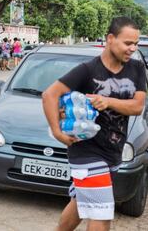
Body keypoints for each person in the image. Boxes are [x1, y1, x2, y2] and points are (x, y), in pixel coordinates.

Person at [42, 17, 146, 231]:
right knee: (101, 212)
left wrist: (107, 101)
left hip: (114, 152)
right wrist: (57, 132)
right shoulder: (87, 70)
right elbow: (50, 95)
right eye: (128, 43)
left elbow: (137, 106)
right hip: (86, 152)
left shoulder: (136, 68)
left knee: (81, 205)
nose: (132, 49)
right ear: (110, 39)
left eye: (135, 44)